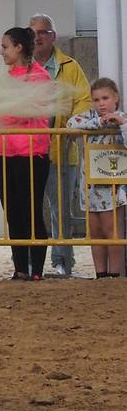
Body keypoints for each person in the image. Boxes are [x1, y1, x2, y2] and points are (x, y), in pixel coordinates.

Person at [28, 14, 93, 277]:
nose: (39, 37)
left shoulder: (71, 66)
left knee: (61, 210)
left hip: (62, 150)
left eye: (44, 32)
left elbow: (85, 99)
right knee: (28, 207)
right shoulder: (20, 68)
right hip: (28, 150)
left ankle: (62, 261)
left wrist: (72, 127)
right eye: (34, 33)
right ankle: (30, 264)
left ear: (53, 36)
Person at [0, 27, 53, 281]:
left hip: (32, 152)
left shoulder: (38, 77)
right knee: (13, 212)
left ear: (19, 48)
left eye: (5, 46)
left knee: (30, 210)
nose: (2, 51)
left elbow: (16, 112)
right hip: (4, 150)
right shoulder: (5, 78)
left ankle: (37, 269)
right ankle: (20, 268)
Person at [66, 78, 127, 278]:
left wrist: (121, 124)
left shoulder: (123, 118)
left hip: (114, 185)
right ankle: (100, 273)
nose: (101, 103)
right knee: (95, 230)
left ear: (116, 98)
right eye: (96, 99)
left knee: (113, 231)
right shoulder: (89, 118)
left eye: (105, 98)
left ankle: (115, 274)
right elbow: (70, 124)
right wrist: (98, 122)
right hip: (90, 184)